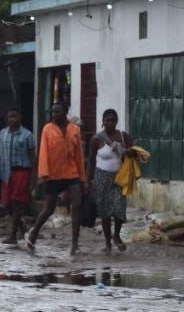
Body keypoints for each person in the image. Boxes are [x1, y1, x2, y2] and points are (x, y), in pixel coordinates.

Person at [26, 103, 88, 255]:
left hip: (71, 172)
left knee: (77, 204)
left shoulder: (75, 129)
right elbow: (43, 152)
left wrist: (82, 178)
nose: (54, 114)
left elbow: (79, 155)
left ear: (65, 112)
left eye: (58, 111)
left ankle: (74, 244)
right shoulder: (47, 129)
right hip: (53, 174)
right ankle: (34, 233)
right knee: (49, 209)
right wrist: (43, 174)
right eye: (53, 111)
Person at [87, 108, 132, 253]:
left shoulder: (123, 136)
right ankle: (107, 243)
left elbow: (134, 153)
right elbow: (91, 160)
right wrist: (88, 180)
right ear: (103, 121)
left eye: (113, 120)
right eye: (107, 120)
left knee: (119, 207)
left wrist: (125, 151)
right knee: (105, 211)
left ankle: (117, 236)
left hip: (119, 177)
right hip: (102, 177)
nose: (110, 123)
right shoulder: (97, 139)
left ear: (116, 121)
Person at [0, 108, 37, 245]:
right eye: (10, 116)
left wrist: (34, 176)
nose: (12, 119)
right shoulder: (2, 134)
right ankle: (22, 227)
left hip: (21, 171)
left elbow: (32, 157)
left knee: (16, 202)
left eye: (15, 116)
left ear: (20, 117)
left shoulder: (27, 135)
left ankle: (13, 235)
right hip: (6, 173)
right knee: (6, 203)